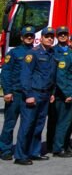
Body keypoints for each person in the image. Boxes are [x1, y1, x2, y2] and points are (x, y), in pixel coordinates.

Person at [14, 26, 57, 165]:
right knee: (27, 125)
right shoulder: (33, 53)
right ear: (41, 38)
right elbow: (25, 75)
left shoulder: (52, 53)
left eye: (52, 36)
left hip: (45, 95)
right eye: (47, 36)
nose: (50, 38)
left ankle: (34, 152)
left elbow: (51, 76)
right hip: (34, 94)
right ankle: (20, 155)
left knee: (39, 125)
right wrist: (28, 94)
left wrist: (52, 93)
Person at [0, 26, 35, 161]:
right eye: (27, 36)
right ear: (21, 37)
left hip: (29, 94)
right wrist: (7, 91)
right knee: (10, 124)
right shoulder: (14, 53)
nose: (29, 38)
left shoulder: (36, 52)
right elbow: (6, 73)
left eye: (31, 36)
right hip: (15, 94)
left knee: (27, 125)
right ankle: (5, 149)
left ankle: (24, 150)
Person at [51, 32, 72, 157]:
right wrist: (67, 94)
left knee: (71, 122)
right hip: (68, 96)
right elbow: (61, 77)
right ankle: (58, 149)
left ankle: (66, 145)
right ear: (70, 42)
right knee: (64, 122)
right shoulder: (66, 56)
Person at [46, 26, 69, 153]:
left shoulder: (71, 51)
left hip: (67, 91)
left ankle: (64, 144)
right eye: (60, 34)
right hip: (56, 91)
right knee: (54, 120)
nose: (63, 36)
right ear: (57, 36)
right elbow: (52, 73)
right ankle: (50, 144)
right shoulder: (52, 51)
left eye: (65, 34)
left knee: (66, 121)